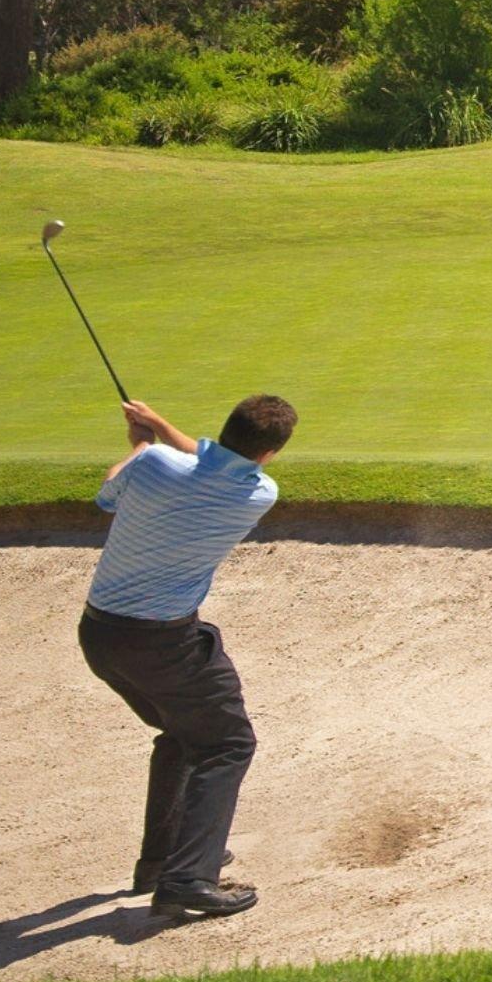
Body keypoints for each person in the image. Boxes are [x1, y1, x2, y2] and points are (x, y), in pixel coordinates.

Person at [76, 393, 298, 920]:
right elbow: (217, 465)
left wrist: (142, 441)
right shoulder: (258, 493)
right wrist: (159, 432)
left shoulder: (152, 463)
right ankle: (188, 879)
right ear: (270, 454)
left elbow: (108, 497)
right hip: (165, 645)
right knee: (228, 743)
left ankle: (161, 861)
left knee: (184, 734)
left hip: (101, 635)